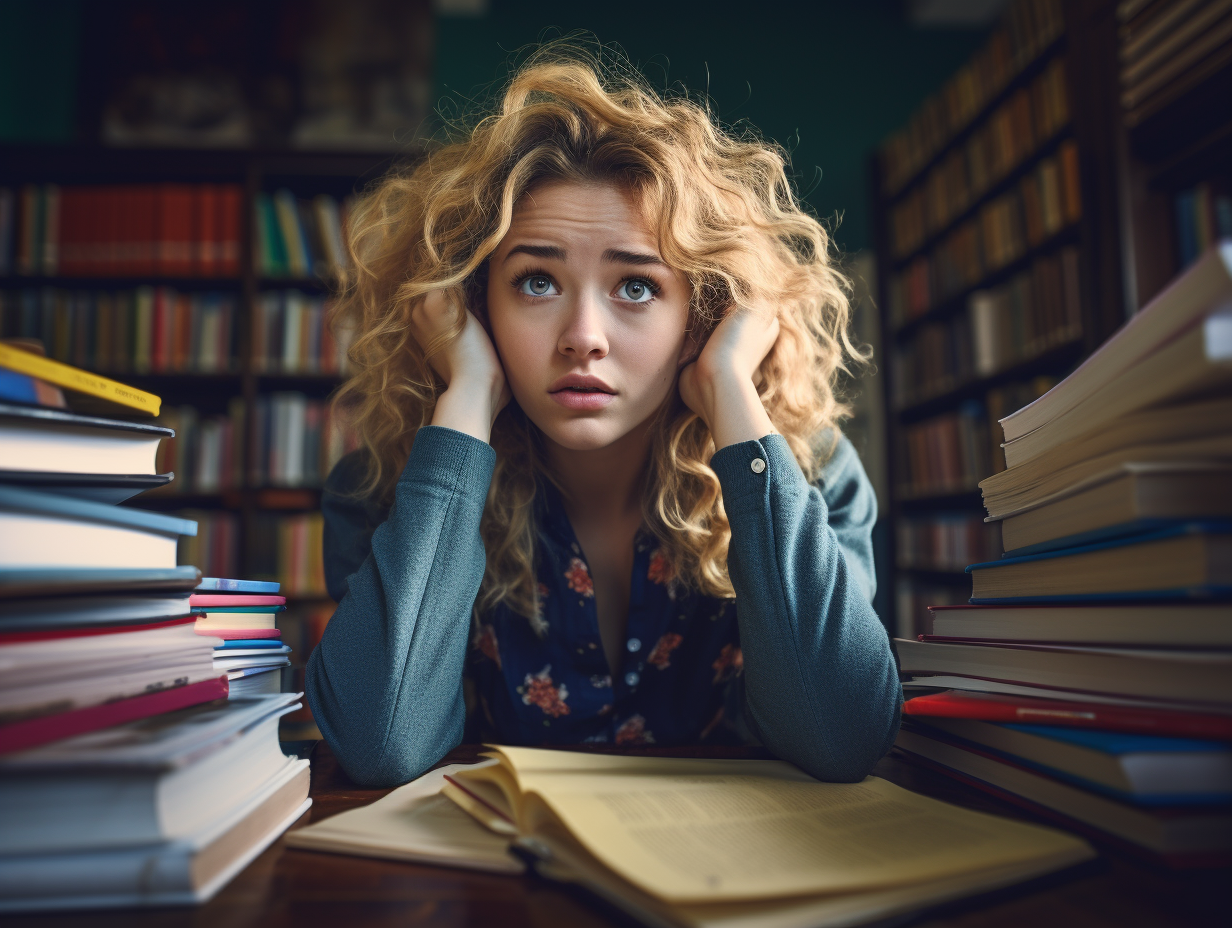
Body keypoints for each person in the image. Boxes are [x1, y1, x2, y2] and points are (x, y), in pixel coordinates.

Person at [307, 47, 901, 788]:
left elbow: (842, 738)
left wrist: (728, 389)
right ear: (473, 303)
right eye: (535, 280)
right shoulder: (389, 482)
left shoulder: (810, 474)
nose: (583, 334)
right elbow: (381, 743)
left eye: (637, 288)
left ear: (704, 313)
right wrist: (463, 396)